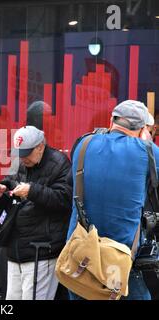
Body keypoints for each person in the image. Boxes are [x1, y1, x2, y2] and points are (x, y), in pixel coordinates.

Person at [67, 100, 158, 300]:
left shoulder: (84, 143)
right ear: (143, 129)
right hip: (119, 260)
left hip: (80, 256)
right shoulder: (148, 151)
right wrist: (146, 142)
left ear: (111, 121)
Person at [0, 125, 72, 300]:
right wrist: (1, 190)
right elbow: (12, 190)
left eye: (26, 153)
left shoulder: (59, 163)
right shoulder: (22, 161)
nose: (22, 158)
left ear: (40, 147)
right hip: (16, 248)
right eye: (20, 153)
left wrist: (31, 191)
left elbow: (64, 200)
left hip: (41, 249)